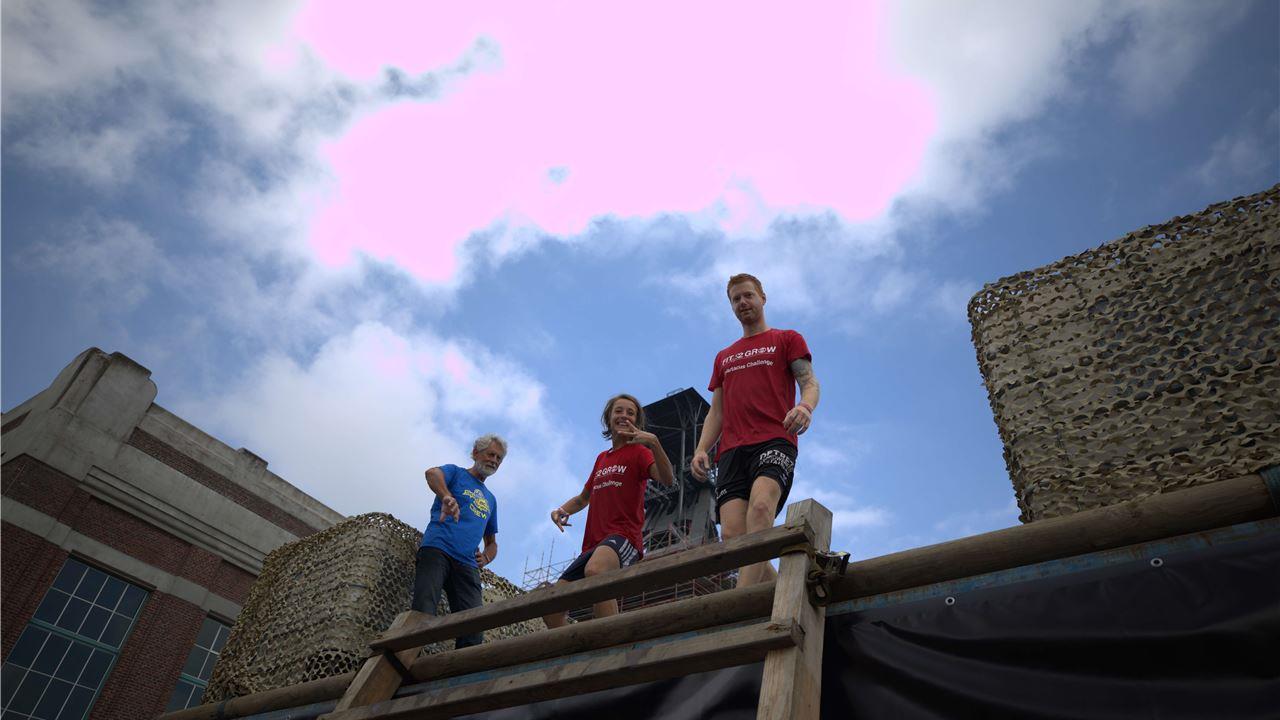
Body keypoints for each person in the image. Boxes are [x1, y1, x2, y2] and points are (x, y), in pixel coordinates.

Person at [691, 273, 820, 586]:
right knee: (735, 537)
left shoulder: (787, 339)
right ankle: (786, 590)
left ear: (763, 297)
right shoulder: (724, 357)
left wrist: (805, 407)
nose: (742, 302)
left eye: (748, 295)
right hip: (732, 451)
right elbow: (717, 411)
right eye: (736, 299)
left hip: (774, 439)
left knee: (761, 508)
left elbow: (809, 382)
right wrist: (701, 448)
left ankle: (740, 604)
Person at [543, 394, 675, 628]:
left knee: (596, 570)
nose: (624, 416)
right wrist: (561, 510)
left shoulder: (640, 452)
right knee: (551, 608)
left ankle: (614, 642)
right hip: (593, 545)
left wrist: (654, 443)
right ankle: (578, 645)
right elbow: (583, 498)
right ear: (609, 418)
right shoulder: (602, 458)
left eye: (630, 413)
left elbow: (667, 479)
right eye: (619, 411)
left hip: (623, 537)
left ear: (637, 421)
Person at [411, 434, 505, 648]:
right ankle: (405, 661)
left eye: (499, 458)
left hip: (467, 564)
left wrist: (486, 557)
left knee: (473, 626)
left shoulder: (491, 500)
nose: (494, 460)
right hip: (438, 549)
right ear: (475, 453)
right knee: (423, 611)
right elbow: (432, 473)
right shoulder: (456, 473)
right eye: (491, 454)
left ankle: (459, 669)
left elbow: (492, 542)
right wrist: (446, 496)